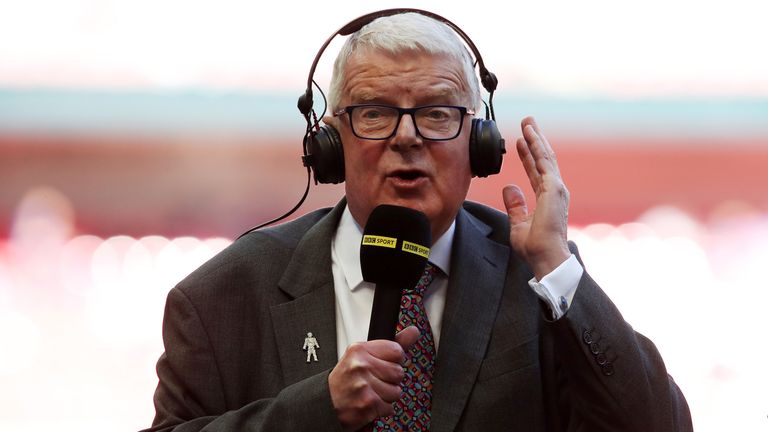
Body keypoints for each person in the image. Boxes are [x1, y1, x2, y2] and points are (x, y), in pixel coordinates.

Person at [142, 10, 692, 432]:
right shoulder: (224, 294)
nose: (407, 138)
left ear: (479, 144)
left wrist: (555, 266)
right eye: (375, 112)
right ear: (331, 143)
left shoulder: (536, 279)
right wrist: (317, 410)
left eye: (436, 113)